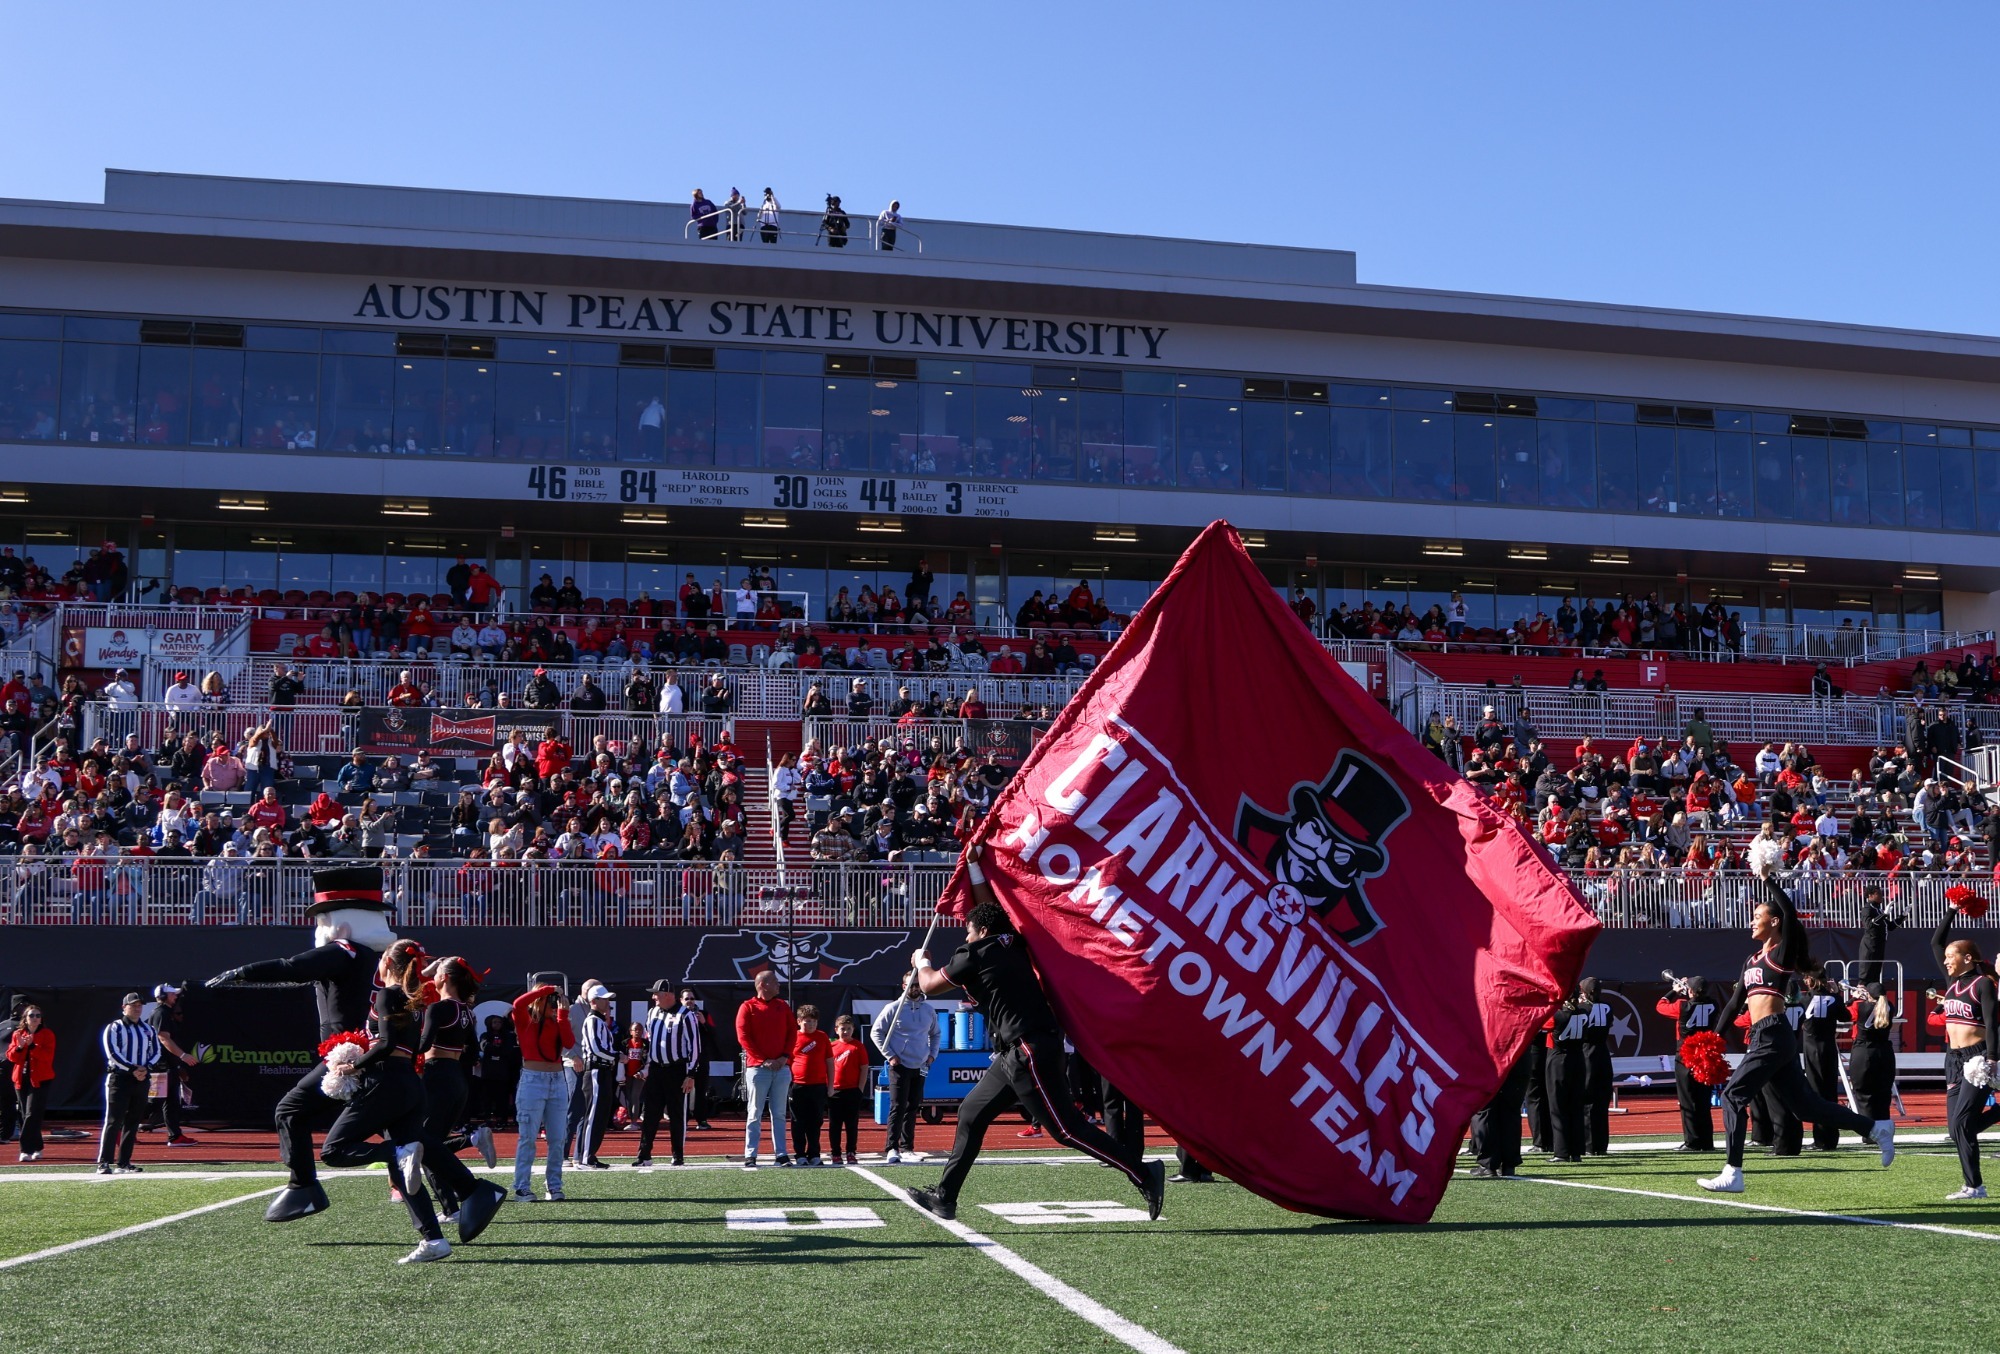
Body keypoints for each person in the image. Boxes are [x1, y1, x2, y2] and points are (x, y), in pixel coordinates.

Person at [905, 895, 1165, 1223]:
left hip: (1027, 1048)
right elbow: (992, 904)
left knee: (1066, 1130)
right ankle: (945, 1197)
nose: (965, 938)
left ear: (982, 931)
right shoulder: (1013, 941)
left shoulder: (974, 952)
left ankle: (1144, 1174)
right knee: (971, 1112)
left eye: (968, 932)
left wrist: (921, 962)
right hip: (1017, 1050)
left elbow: (929, 985)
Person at [202, 865, 396, 1222]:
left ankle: (303, 1187)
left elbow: (292, 967)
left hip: (349, 1057)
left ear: (339, 921)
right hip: (375, 1054)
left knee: (291, 1111)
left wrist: (243, 973)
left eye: (322, 918)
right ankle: (463, 1191)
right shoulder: (379, 958)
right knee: (400, 1130)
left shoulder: (345, 949)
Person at [1699, 875, 1894, 1194]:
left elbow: (1790, 914)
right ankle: (1875, 1128)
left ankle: (1733, 1171)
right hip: (1769, 1037)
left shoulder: (1781, 952)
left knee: (1733, 1095)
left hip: (1772, 1034)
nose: (1751, 921)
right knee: (1806, 1107)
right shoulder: (1750, 960)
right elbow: (1734, 1004)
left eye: (1757, 916)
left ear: (1774, 922)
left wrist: (1768, 879)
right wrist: (1712, 1040)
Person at [319, 940, 505, 1264]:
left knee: (334, 1150)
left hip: (388, 1081)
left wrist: (353, 1064)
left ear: (388, 964)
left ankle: (406, 1158)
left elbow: (387, 1043)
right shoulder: (415, 1000)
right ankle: (441, 1230)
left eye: (381, 961)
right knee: (417, 1150)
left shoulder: (389, 995)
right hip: (411, 1085)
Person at [416, 956, 498, 1220]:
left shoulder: (438, 1009)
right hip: (456, 1080)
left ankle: (451, 1208)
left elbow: (423, 1044)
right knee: (432, 1145)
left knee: (425, 1145)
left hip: (436, 1076)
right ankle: (472, 1139)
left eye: (436, 973)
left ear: (445, 978)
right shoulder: (467, 1011)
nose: (433, 977)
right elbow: (473, 1051)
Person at [1932, 900, 1999, 1200]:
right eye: (1946, 957)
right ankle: (1973, 1186)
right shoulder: (1951, 983)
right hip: (1953, 1059)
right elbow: (1936, 941)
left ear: (1968, 958)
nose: (1946, 960)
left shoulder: (1983, 985)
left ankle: (1975, 1186)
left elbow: (1992, 1024)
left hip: (1976, 1057)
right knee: (1956, 1126)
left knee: (1962, 1123)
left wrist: (1993, 1059)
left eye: (1951, 956)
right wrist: (1952, 909)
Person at [511, 978, 579, 1202]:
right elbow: (518, 1004)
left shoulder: (557, 1020)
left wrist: (563, 1015)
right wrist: (547, 990)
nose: (552, 1003)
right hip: (533, 1080)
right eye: (549, 1000)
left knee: (558, 1138)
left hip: (557, 1079)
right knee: (528, 1138)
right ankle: (522, 1186)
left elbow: (568, 1043)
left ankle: (554, 1185)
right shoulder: (526, 1018)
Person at [871, 973, 940, 1163]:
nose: (915, 988)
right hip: (900, 1065)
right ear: (903, 986)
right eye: (911, 985)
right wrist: (890, 1055)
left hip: (921, 1065)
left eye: (917, 985)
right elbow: (876, 1032)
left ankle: (907, 1148)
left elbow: (935, 1034)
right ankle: (892, 1148)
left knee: (912, 1107)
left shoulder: (928, 1010)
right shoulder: (893, 1008)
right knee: (898, 1107)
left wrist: (932, 1055)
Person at [633, 979, 699, 1170]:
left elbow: (695, 1047)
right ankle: (644, 1154)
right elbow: (651, 1042)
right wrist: (647, 1067)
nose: (653, 997)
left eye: (656, 994)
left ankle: (677, 1154)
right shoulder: (653, 1012)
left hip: (676, 1070)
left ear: (668, 995)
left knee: (677, 1113)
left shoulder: (686, 1016)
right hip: (656, 1069)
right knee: (650, 1113)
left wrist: (691, 1074)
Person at [736, 969, 794, 1168]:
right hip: (758, 1069)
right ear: (763, 985)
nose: (779, 985)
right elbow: (744, 1037)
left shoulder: (782, 1006)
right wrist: (763, 1059)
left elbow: (791, 1033)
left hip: (781, 1068)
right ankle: (750, 1154)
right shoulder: (747, 1007)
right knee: (755, 1112)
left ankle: (782, 1154)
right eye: (775, 981)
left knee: (778, 1113)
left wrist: (784, 1057)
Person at [97, 992, 157, 1174]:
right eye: (133, 1005)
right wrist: (133, 1069)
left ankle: (124, 1162)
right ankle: (104, 1162)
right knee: (114, 1121)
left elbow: (156, 1052)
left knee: (133, 1121)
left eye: (139, 1005)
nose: (137, 1008)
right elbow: (112, 1054)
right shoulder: (114, 1027)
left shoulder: (148, 1029)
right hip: (120, 1078)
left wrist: (145, 1068)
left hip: (141, 1079)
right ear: (124, 1007)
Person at [1656, 975, 1718, 1151]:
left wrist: (1674, 991)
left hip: (1686, 1054)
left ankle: (1692, 1141)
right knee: (1704, 1099)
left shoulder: (1682, 1005)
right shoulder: (1713, 1004)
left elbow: (1660, 1007)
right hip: (1706, 1053)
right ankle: (1707, 1141)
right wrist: (1689, 989)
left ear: (1690, 991)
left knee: (1687, 1100)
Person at [570, 982, 619, 1169]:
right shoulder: (592, 1021)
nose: (608, 1003)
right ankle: (585, 1157)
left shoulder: (599, 1021)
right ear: (594, 1001)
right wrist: (616, 1056)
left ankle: (589, 1154)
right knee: (593, 1115)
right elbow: (596, 1048)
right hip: (595, 1071)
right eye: (604, 999)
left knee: (600, 1114)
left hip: (602, 1071)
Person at [146, 982, 200, 1145]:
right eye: (172, 994)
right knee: (152, 1102)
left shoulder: (166, 1013)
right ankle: (122, 1127)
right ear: (163, 996)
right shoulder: (161, 1012)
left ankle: (175, 1136)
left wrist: (177, 1065)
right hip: (160, 1067)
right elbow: (163, 1038)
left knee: (170, 1102)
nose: (175, 996)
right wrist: (183, 1056)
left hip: (168, 1066)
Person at [1466, 1047, 1531, 1179]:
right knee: (1510, 1111)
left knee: (1484, 1109)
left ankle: (1488, 1164)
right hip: (1518, 1056)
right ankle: (1508, 1164)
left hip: (1490, 1055)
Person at [1546, 989, 1588, 1163]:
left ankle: (1561, 1152)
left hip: (1559, 1060)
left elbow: (1539, 1022)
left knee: (1558, 1107)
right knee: (1576, 1107)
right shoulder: (1584, 1013)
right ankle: (1577, 1151)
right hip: (1578, 1059)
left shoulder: (1556, 1016)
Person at [8, 1003, 54, 1161]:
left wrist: (32, 1046)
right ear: (25, 1019)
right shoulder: (18, 1034)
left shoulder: (47, 1034)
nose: (35, 1018)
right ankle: (38, 1146)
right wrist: (20, 1047)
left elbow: (47, 1057)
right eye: (31, 1015)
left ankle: (25, 1149)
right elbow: (12, 1057)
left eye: (38, 1016)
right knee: (25, 1114)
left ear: (41, 1019)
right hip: (21, 1079)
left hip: (41, 1079)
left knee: (32, 1113)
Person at [790, 1004, 833, 1166]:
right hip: (798, 1086)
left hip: (818, 1086)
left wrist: (830, 1086)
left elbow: (829, 1062)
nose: (811, 1025)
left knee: (816, 1122)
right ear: (799, 1021)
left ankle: (814, 1153)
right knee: (798, 1121)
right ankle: (800, 1154)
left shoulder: (822, 1037)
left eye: (814, 1022)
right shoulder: (793, 1037)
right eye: (808, 1021)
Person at [1579, 977, 1615, 1156]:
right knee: (1602, 1102)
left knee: (1588, 1101)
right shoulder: (1608, 1007)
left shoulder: (1582, 1009)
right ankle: (1601, 1145)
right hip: (1603, 1053)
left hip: (1587, 1053)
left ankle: (1589, 1145)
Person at [828, 1013, 868, 1166]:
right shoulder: (831, 1046)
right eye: (842, 1029)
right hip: (835, 1091)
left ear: (853, 1029)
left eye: (848, 1029)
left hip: (852, 1091)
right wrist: (829, 1087)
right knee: (835, 1125)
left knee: (851, 1125)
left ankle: (851, 1152)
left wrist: (860, 1089)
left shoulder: (858, 1046)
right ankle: (835, 1153)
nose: (845, 1032)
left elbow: (864, 1068)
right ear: (836, 1029)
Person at [681, 988, 715, 1129]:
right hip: (684, 1059)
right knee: (683, 1090)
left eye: (692, 998)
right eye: (687, 998)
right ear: (681, 1001)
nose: (690, 1001)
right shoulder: (677, 1015)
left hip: (701, 1058)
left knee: (701, 1090)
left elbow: (714, 1033)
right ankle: (683, 1119)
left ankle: (701, 1119)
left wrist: (703, 1022)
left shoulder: (704, 1014)